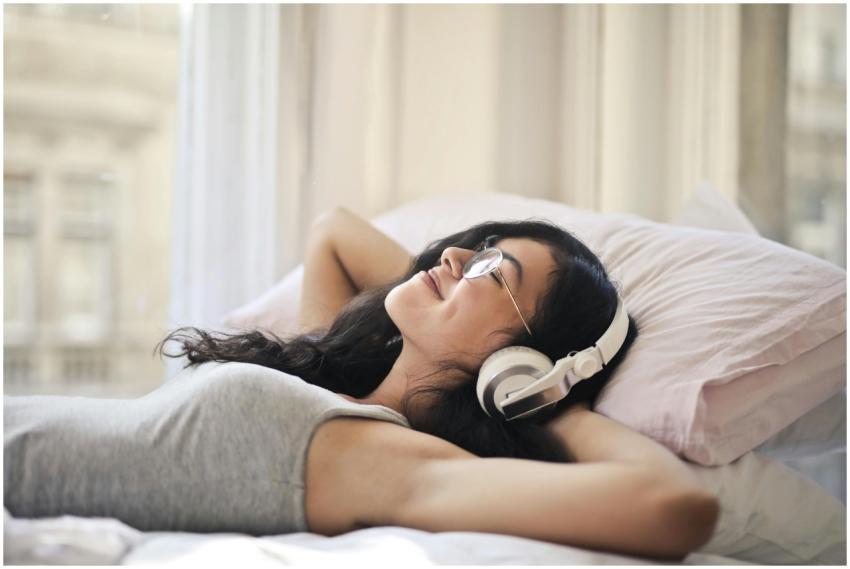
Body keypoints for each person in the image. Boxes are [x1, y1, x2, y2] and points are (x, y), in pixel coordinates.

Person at [4, 207, 720, 562]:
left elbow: (677, 504)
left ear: (522, 360)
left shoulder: (385, 464)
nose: (456, 255)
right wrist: (460, 276)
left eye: (495, 273)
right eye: (481, 247)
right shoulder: (337, 378)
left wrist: (541, 393)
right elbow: (335, 234)